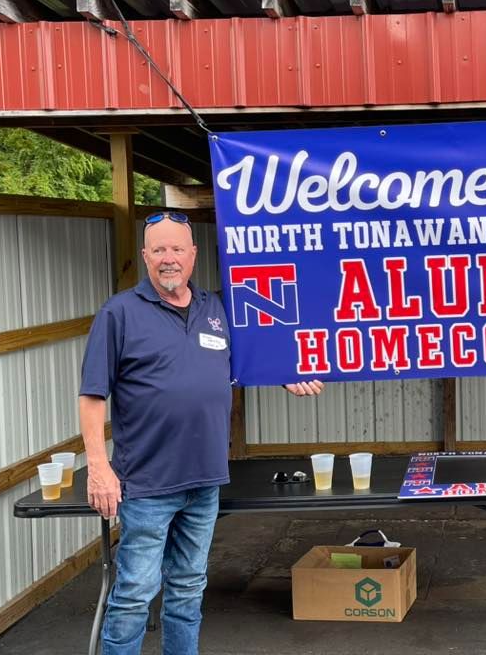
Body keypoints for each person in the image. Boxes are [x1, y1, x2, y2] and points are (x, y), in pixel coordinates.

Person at [79, 211, 324, 655]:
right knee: (134, 595)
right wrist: (99, 467)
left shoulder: (216, 308)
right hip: (147, 483)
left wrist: (284, 375)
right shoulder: (119, 313)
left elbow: (248, 358)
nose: (168, 259)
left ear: (193, 255)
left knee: (189, 590)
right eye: (159, 250)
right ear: (145, 256)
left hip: (205, 480)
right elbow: (93, 395)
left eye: (177, 249)